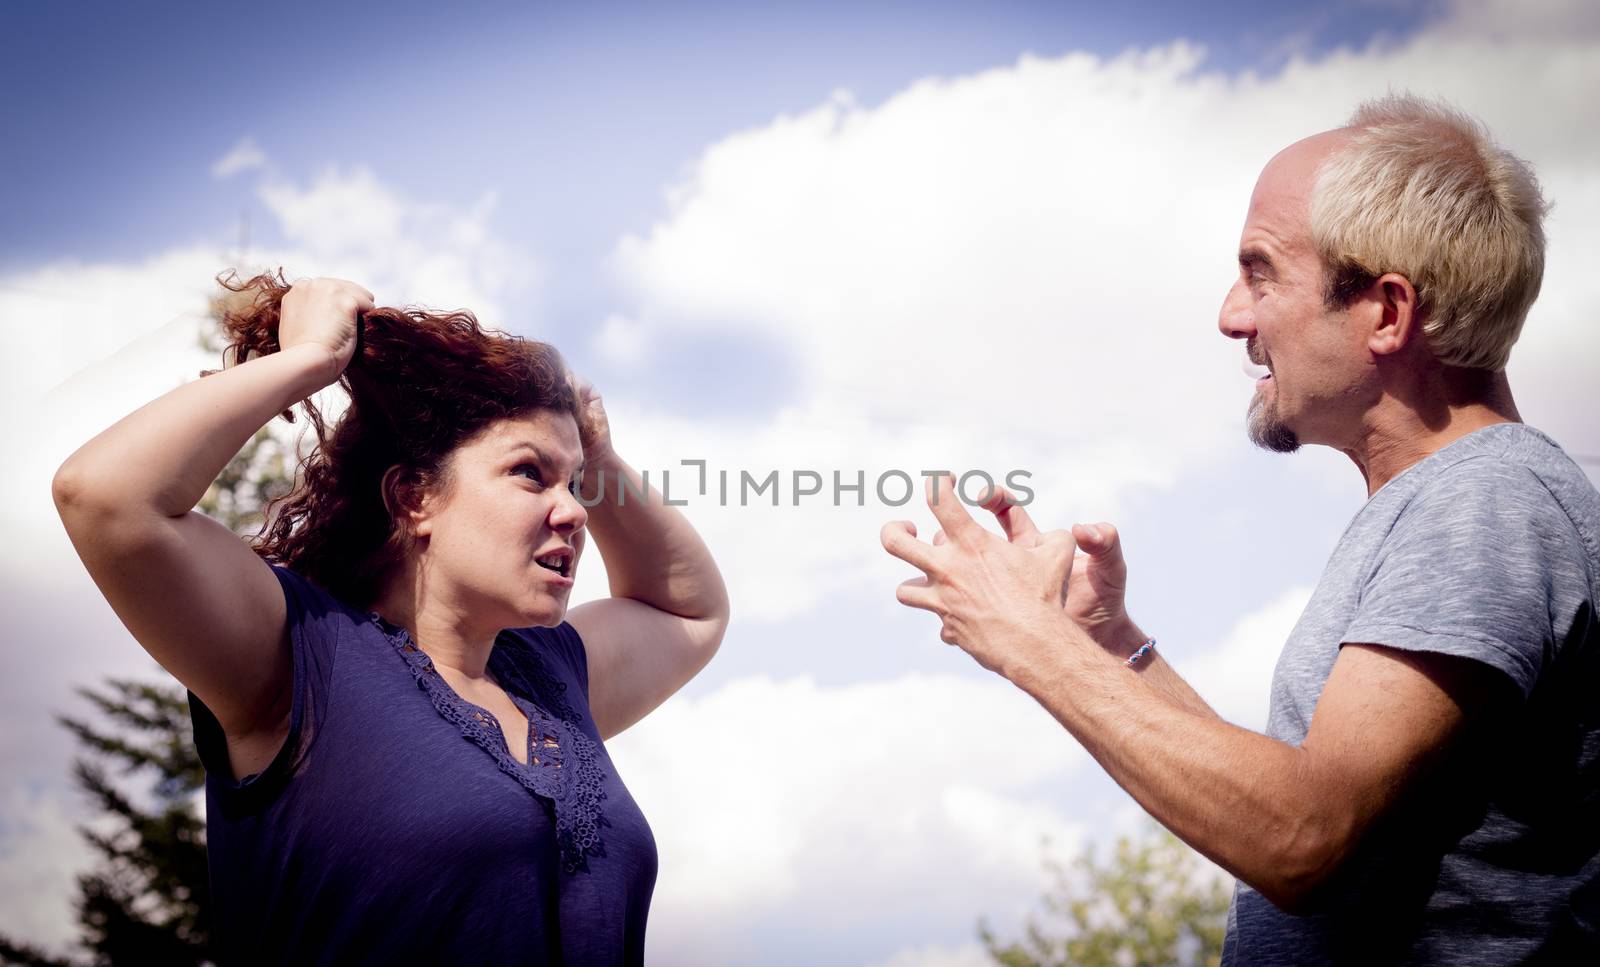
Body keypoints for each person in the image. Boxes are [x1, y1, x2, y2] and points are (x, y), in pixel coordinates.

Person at [881, 94, 1599, 962]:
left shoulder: (1484, 504)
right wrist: (1109, 646)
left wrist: (1033, 644)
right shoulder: (1458, 500)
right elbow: (1290, 798)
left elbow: (1302, 838)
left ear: (1387, 311)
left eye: (1262, 272)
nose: (1233, 315)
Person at [52, 272, 730, 965]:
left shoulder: (550, 675)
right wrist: (310, 362)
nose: (576, 509)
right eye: (531, 474)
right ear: (414, 497)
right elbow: (104, 496)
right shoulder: (302, 654)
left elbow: (689, 608)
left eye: (576, 483)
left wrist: (601, 454)